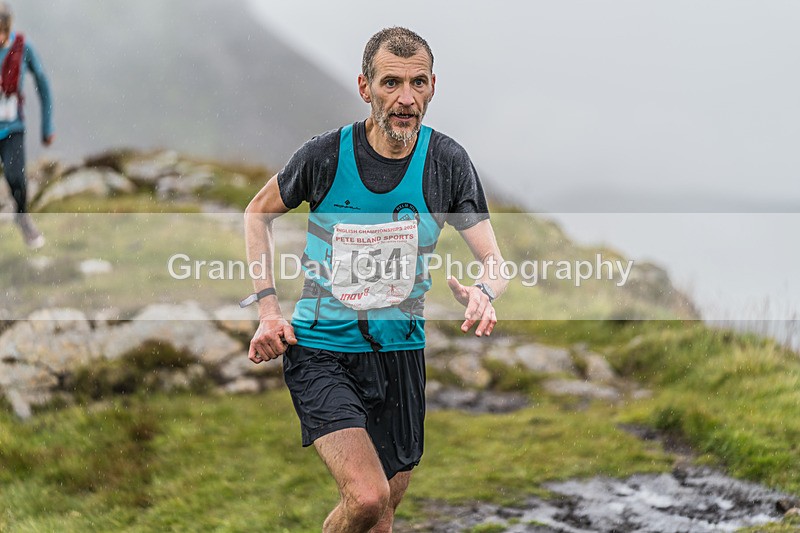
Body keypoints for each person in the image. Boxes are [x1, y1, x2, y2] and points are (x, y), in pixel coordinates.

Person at [244, 27, 506, 533]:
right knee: (365, 498)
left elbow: (495, 261)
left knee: (381, 515)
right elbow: (257, 214)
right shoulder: (324, 156)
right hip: (322, 350)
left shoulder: (447, 163)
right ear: (365, 88)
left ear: (433, 87)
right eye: (391, 83)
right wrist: (269, 310)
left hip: (400, 356)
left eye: (418, 83)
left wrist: (486, 291)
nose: (406, 98)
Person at [0, 2, 53, 249]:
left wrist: (47, 127)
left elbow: (43, 85)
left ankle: (23, 219)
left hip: (12, 127)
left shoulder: (23, 47)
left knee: (16, 178)